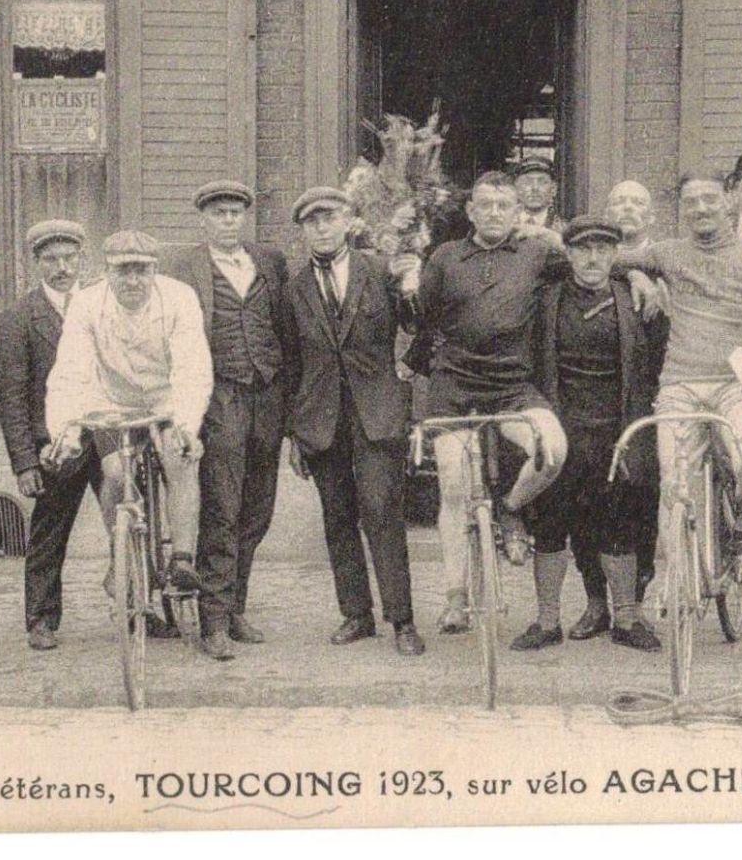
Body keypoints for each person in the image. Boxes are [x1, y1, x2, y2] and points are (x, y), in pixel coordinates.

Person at [411, 171, 570, 634]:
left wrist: (639, 275)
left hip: (513, 382)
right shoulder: (445, 256)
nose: (495, 213)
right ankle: (456, 596)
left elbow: (591, 266)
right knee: (455, 488)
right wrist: (404, 280)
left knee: (552, 449)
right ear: (471, 211)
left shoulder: (538, 253)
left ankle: (511, 508)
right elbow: (419, 316)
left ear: (518, 211)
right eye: (486, 205)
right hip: (454, 385)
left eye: (505, 205)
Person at [45, 230, 215, 652]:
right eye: (124, 271)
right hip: (112, 399)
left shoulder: (179, 298)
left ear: (154, 271)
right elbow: (70, 370)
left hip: (165, 398)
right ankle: (123, 557)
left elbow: (192, 367)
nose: (133, 281)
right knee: (116, 473)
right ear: (108, 272)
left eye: (142, 270)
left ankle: (181, 561)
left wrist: (186, 426)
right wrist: (65, 430)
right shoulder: (86, 303)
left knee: (179, 460)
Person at [617, 174, 742, 574]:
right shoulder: (667, 253)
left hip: (735, 387)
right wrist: (635, 274)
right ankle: (678, 579)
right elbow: (597, 256)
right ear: (681, 209)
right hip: (679, 386)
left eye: (709, 199)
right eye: (691, 201)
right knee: (672, 482)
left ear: (728, 201)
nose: (700, 208)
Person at [282, 186, 425, 657]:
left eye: (329, 218)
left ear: (348, 222)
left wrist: (411, 289)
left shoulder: (381, 271)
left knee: (382, 510)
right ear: (303, 231)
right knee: (338, 517)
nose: (321, 228)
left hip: (378, 413)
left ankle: (402, 620)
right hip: (321, 419)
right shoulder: (295, 287)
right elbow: (290, 361)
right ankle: (356, 614)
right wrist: (293, 432)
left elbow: (418, 327)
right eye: (311, 221)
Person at [161, 182, 298, 654]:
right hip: (219, 397)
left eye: (236, 213)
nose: (229, 221)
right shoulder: (182, 267)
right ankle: (213, 622)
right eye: (219, 213)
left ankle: (235, 607)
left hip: (268, 396)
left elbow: (287, 331)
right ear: (203, 219)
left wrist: (289, 405)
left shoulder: (270, 262)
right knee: (222, 506)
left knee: (258, 510)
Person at [522, 216, 667, 652]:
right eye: (583, 249)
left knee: (618, 522)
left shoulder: (636, 300)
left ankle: (626, 617)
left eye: (603, 250)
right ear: (568, 254)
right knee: (551, 525)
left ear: (614, 255)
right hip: (561, 425)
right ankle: (547, 621)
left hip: (618, 428)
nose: (592, 258)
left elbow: (659, 363)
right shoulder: (545, 299)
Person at [0, 219, 112, 652]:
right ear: (37, 264)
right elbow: (11, 396)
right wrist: (25, 462)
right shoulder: (21, 317)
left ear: (83, 259)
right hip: (56, 442)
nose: (62, 267)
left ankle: (142, 605)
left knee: (133, 519)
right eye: (51, 259)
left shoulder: (104, 305)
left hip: (107, 432)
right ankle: (41, 618)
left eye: (69, 258)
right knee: (50, 531)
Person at [605, 179, 657, 255]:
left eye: (638, 202)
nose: (628, 207)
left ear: (651, 216)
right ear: (606, 214)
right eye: (618, 202)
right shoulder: (594, 260)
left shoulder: (665, 261)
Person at [512, 158, 564, 231]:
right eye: (527, 182)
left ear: (553, 189)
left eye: (542, 182)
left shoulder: (564, 230)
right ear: (516, 188)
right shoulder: (505, 228)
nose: (535, 188)